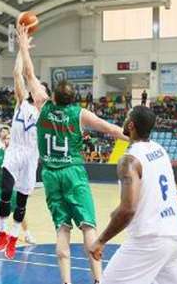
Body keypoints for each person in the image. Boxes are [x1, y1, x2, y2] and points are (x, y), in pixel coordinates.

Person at [18, 25, 128, 284]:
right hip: (73, 172)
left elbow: (28, 73)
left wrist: (23, 46)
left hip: (50, 174)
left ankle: (66, 282)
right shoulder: (80, 114)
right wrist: (135, 137)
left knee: (62, 229)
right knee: (88, 227)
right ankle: (98, 280)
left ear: (52, 95)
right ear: (73, 98)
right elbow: (111, 129)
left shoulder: (42, 105)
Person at [90, 106, 177, 284]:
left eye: (126, 117)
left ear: (131, 125)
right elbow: (156, 191)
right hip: (176, 239)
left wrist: (100, 240)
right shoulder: (160, 150)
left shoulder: (129, 160)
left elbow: (128, 210)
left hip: (148, 241)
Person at [0, 50, 46, 259]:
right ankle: (2, 233)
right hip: (14, 150)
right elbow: (17, 74)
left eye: (40, 88)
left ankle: (13, 238)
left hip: (32, 156)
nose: (36, 89)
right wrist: (22, 51)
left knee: (21, 202)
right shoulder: (21, 103)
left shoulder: (46, 114)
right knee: (5, 192)